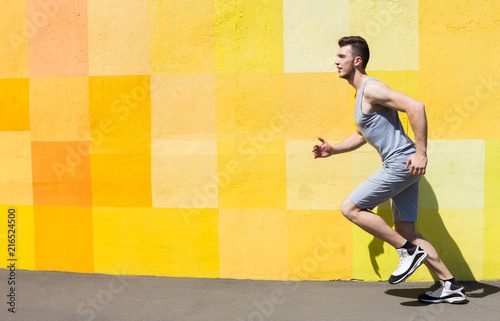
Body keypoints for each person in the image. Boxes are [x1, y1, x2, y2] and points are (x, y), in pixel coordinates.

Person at [312, 36, 466, 304]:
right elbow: (361, 133)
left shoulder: (372, 89)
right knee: (406, 229)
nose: (335, 62)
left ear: (357, 61)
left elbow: (415, 107)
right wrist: (333, 149)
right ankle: (449, 284)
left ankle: (408, 253)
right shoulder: (361, 94)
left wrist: (421, 153)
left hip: (401, 162)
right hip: (404, 165)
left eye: (341, 57)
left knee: (350, 208)